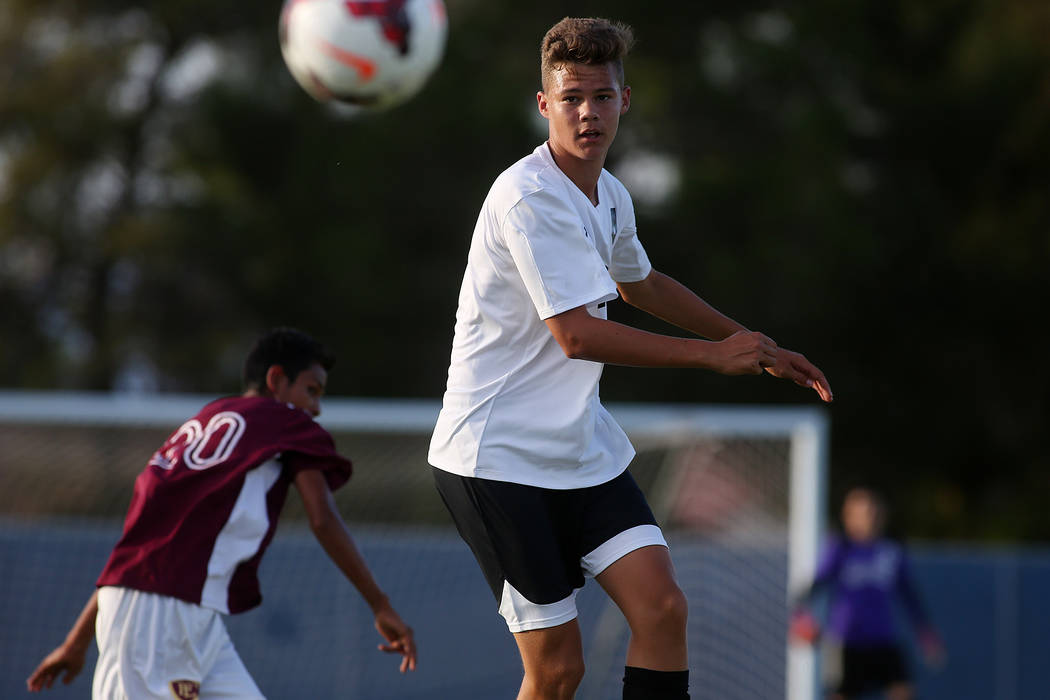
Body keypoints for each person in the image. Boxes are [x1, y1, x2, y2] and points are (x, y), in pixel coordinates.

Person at [427, 16, 833, 700]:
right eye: (572, 98)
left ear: (625, 99)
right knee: (556, 672)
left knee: (664, 610)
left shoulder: (609, 194)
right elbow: (578, 336)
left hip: (578, 450)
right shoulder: (528, 196)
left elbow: (639, 284)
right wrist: (711, 357)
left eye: (603, 97)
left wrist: (754, 344)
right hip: (496, 461)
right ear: (545, 105)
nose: (588, 113)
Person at [26, 328, 416, 699]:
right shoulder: (282, 421)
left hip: (182, 616)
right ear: (276, 379)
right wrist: (380, 604)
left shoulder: (198, 424)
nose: (315, 407)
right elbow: (323, 519)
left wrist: (76, 641)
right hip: (161, 619)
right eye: (310, 390)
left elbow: (141, 552)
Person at [790, 487, 945, 700]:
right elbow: (814, 586)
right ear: (849, 517)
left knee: (903, 691)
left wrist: (926, 633)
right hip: (846, 640)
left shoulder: (892, 550)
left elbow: (909, 595)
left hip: (883, 638)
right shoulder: (841, 548)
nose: (870, 518)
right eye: (864, 513)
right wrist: (801, 618)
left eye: (874, 512)